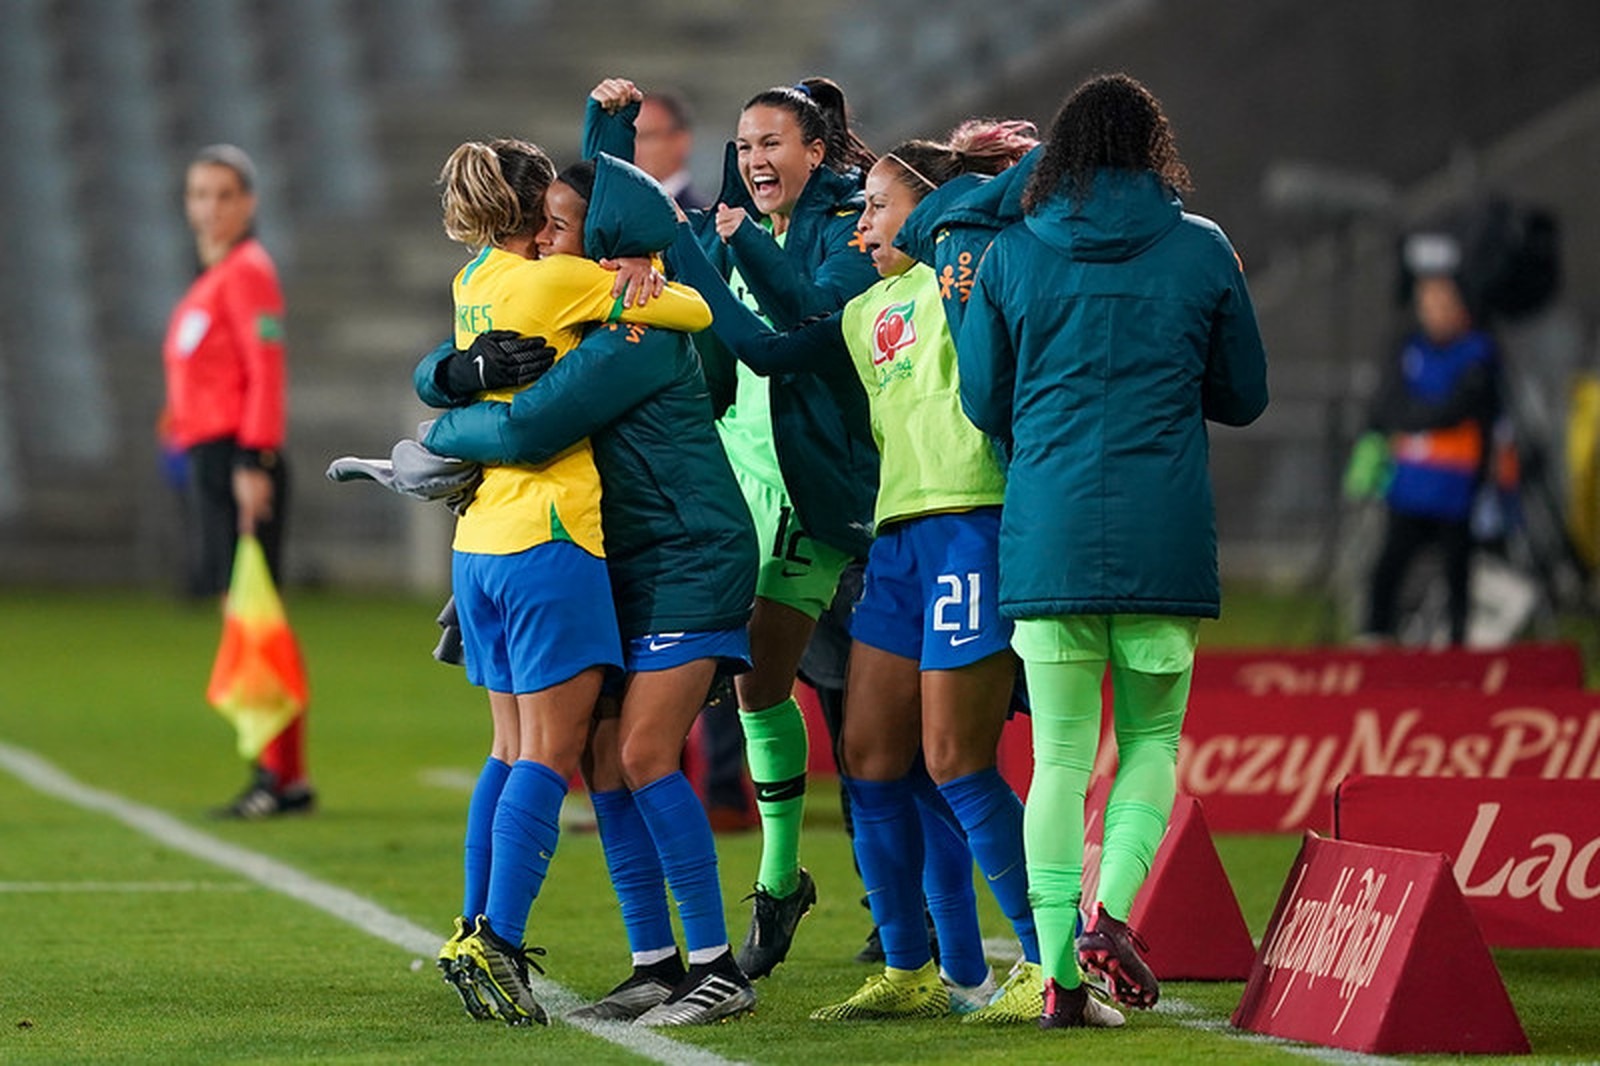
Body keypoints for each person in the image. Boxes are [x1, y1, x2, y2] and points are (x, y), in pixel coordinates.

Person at [672, 128, 1122, 1029]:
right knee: (874, 761)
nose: (860, 223)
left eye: (877, 205)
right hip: (897, 545)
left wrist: (990, 167)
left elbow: (1044, 198)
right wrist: (697, 248)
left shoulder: (976, 271)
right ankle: (923, 970)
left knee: (957, 759)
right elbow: (766, 345)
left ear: (935, 212)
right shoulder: (863, 308)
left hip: (973, 529)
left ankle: (1052, 967)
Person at [421, 154, 761, 1027]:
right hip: (618, 557)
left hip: (688, 555)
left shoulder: (630, 335)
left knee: (641, 754)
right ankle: (654, 961)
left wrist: (440, 420)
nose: (546, 239)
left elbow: (530, 428)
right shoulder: (573, 307)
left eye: (563, 228)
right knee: (602, 758)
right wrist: (452, 376)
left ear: (604, 243)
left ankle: (719, 966)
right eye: (544, 223)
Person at [958, 73, 1268, 1027]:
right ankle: (1113, 916)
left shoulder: (1011, 255)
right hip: (1160, 531)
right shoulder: (1204, 249)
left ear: (1057, 157)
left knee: (1055, 758)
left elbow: (980, 402)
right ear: (1154, 149)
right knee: (1150, 741)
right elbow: (1244, 395)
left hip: (1047, 527)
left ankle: (1058, 970)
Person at [588, 75, 880, 979]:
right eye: (746, 144)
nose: (755, 159)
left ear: (817, 153)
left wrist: (707, 246)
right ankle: (797, 883)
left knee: (806, 696)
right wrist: (607, 128)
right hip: (733, 476)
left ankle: (799, 881)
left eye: (773, 144)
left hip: (813, 485)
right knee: (769, 691)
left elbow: (778, 331)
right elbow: (612, 214)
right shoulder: (744, 226)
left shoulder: (844, 233)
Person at [160, 143, 311, 819]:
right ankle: (285, 774)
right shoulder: (212, 279)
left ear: (248, 203)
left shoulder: (246, 272)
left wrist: (256, 461)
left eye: (224, 194)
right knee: (251, 616)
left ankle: (274, 776)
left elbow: (266, 367)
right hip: (214, 455)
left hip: (238, 459)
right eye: (199, 194)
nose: (210, 208)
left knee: (252, 617)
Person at [1357, 247, 1501, 646]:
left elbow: (1458, 408)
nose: (1433, 310)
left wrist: (1414, 418)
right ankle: (1375, 639)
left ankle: (1457, 649)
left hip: (1455, 487)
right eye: (1427, 301)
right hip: (1408, 484)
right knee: (1388, 567)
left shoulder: (1478, 353)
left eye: (1442, 301)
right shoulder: (1407, 348)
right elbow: (1385, 404)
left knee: (1457, 573)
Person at [632, 89, 708, 211]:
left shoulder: (703, 224)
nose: (634, 147)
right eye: (628, 138)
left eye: (645, 137)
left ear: (680, 141)